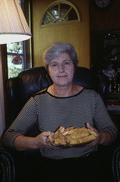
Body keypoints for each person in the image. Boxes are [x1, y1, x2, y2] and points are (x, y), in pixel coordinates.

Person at [2, 42, 118, 182]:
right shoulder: (37, 100)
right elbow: (8, 137)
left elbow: (112, 131)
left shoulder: (92, 97)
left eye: (66, 63)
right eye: (54, 65)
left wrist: (100, 137)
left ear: (74, 67)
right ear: (48, 71)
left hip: (88, 165)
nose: (61, 69)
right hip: (50, 168)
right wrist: (36, 142)